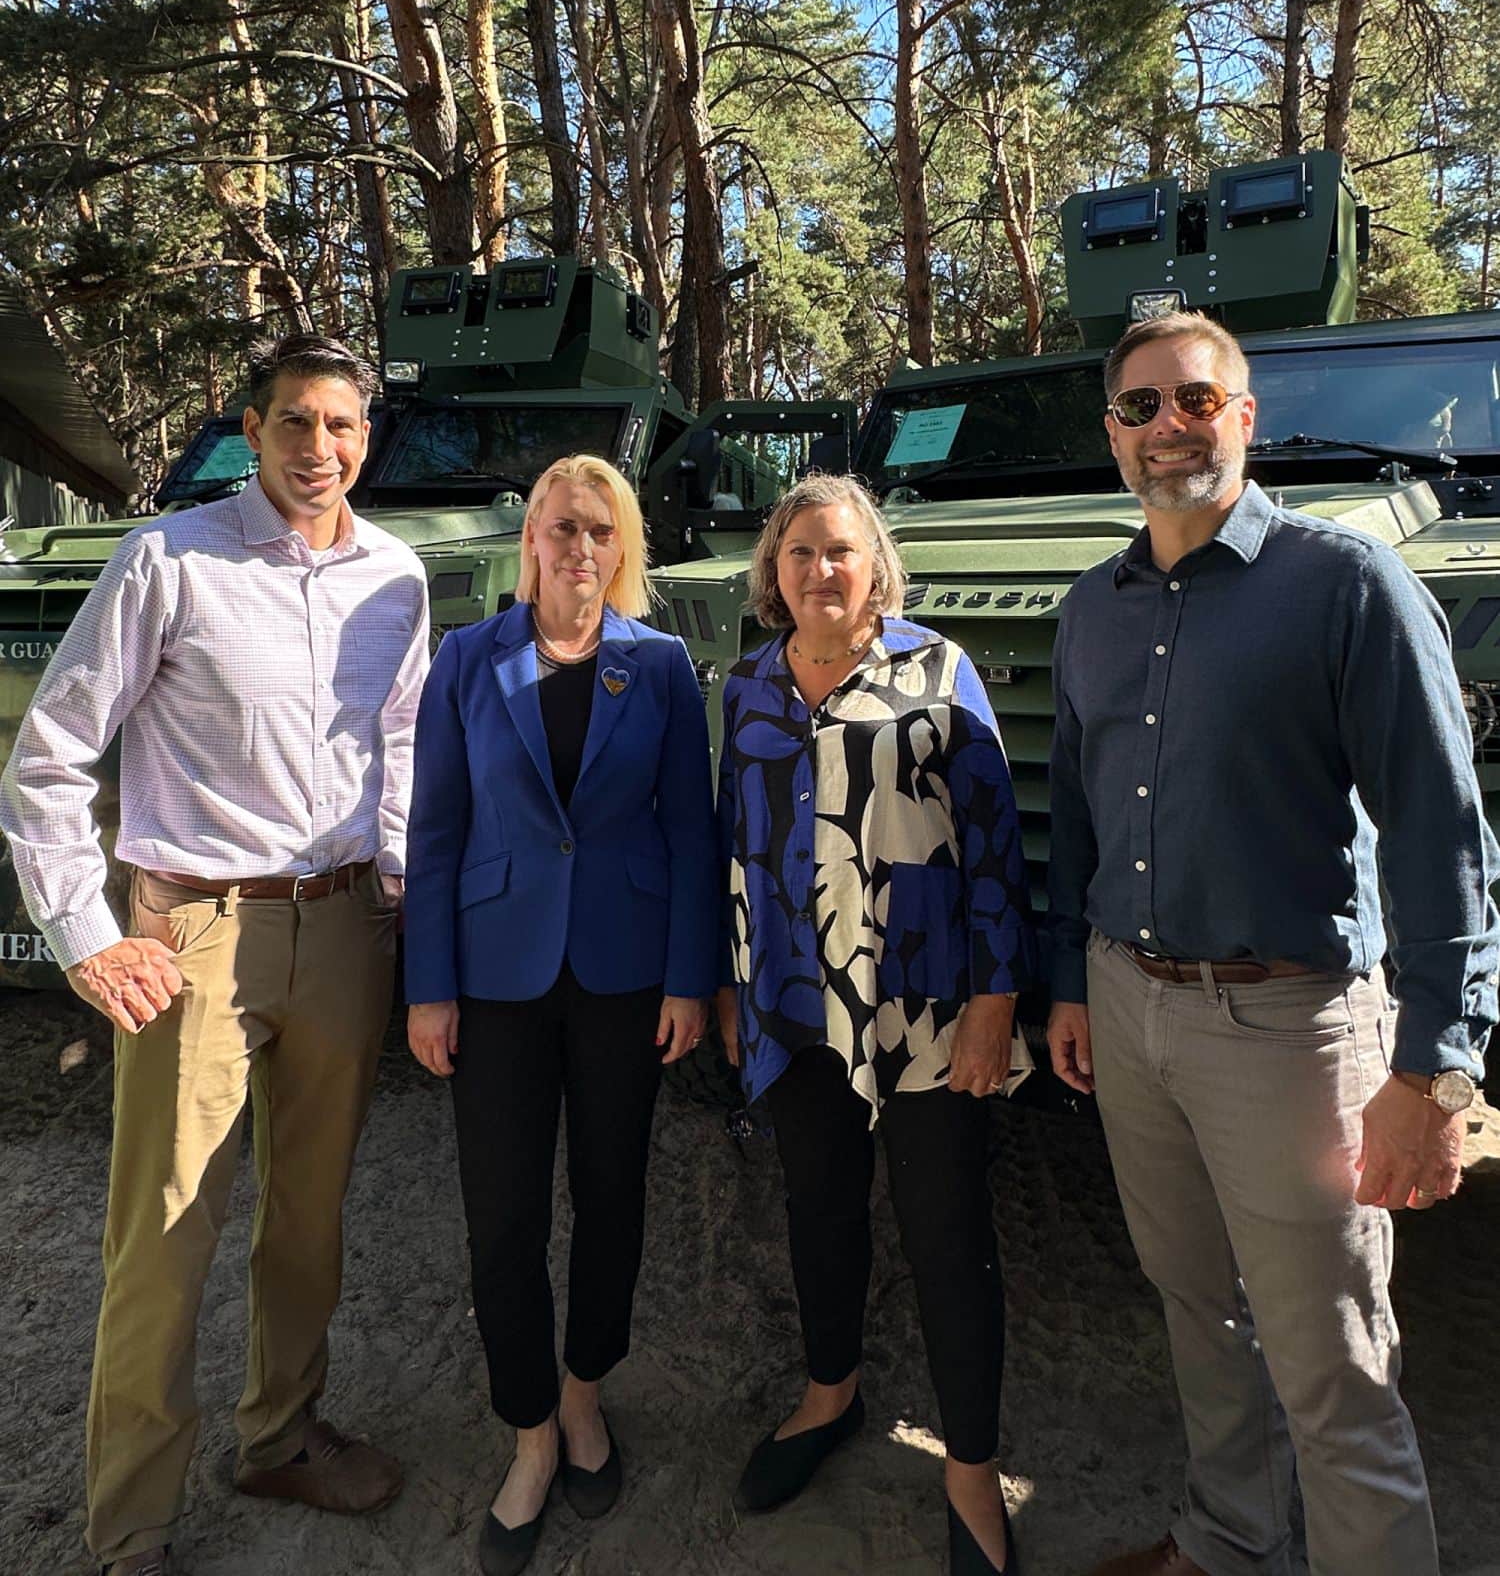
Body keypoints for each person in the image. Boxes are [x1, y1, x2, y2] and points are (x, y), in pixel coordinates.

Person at [1045, 310, 1499, 1576]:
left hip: (1292, 1028)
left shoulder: (1346, 586)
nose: (1168, 426)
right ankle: (1232, 1540)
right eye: (1140, 406)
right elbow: (1078, 812)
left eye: (1196, 398)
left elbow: (1442, 832)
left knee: (1334, 1360)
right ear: (1113, 435)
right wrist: (1070, 982)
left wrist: (1434, 1066)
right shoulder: (1091, 610)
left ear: (1244, 415)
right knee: (1200, 1307)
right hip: (1128, 1002)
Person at [0, 332, 431, 1576]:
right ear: (252, 429)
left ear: (365, 438)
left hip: (345, 925)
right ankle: (132, 1526)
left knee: (309, 1214)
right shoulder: (168, 559)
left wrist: (401, 881)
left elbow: (401, 743)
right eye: (294, 420)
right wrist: (87, 932)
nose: (318, 447)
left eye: (341, 425)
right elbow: (48, 757)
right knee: (165, 1232)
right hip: (192, 933)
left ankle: (281, 1433)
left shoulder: (396, 578)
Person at [404, 454, 718, 1576]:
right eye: (562, 526)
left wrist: (690, 976)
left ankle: (586, 1391)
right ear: (530, 539)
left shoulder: (661, 665)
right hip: (495, 977)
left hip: (625, 973)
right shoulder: (466, 659)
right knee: (502, 1215)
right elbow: (435, 827)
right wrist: (428, 985)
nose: (580, 546)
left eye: (601, 528)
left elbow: (692, 829)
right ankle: (531, 1428)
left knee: (613, 1195)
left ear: (621, 547)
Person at [715, 473, 1035, 1576]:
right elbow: (732, 838)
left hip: (927, 1000)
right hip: (794, 999)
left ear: (876, 566)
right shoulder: (748, 684)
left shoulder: (938, 669)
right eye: (800, 551)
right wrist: (730, 985)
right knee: (818, 1208)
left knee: (948, 1231)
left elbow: (994, 842)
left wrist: (996, 999)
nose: (821, 569)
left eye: (841, 550)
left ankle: (971, 1467)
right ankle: (830, 1392)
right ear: (775, 568)